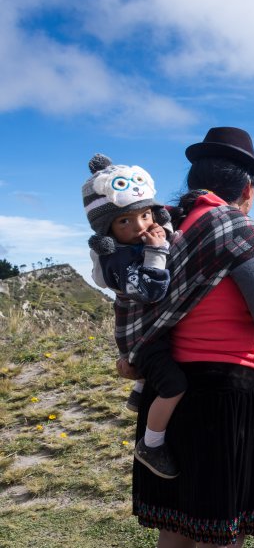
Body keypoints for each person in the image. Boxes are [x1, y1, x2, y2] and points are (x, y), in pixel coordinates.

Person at [114, 127, 254, 548]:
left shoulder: (163, 226)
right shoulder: (232, 227)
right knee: (220, 534)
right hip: (223, 395)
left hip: (168, 389)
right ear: (247, 191)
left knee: (177, 528)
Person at [82, 154, 184, 479]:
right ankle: (151, 444)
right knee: (175, 386)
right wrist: (157, 251)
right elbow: (150, 291)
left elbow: (161, 219)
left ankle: (140, 389)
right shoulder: (116, 261)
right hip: (140, 337)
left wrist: (161, 220)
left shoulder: (137, 239)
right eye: (124, 222)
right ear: (107, 229)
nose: (139, 227)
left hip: (146, 332)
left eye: (144, 215)